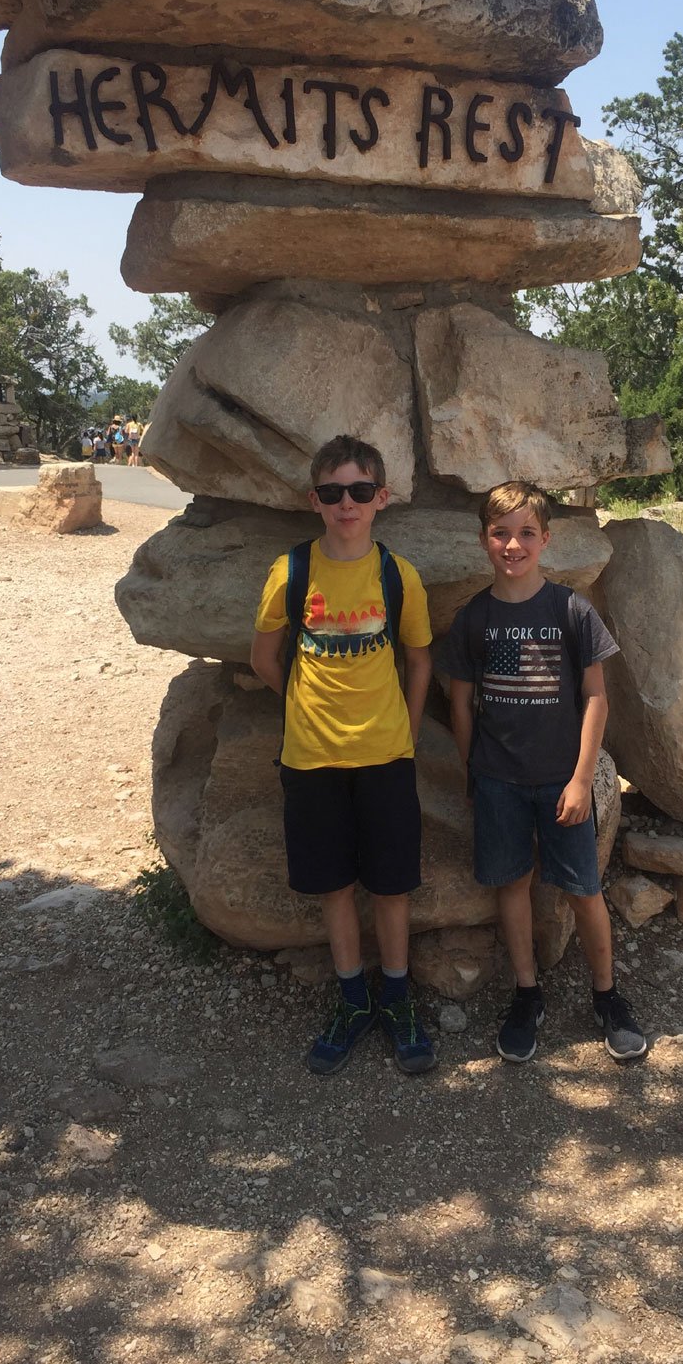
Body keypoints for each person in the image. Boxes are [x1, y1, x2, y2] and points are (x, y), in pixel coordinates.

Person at [250, 434, 437, 1077]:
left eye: (360, 491)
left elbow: (419, 660)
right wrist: (303, 701)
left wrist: (407, 729)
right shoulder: (291, 571)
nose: (347, 504)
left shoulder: (397, 574)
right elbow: (264, 659)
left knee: (390, 885)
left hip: (386, 754)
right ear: (316, 501)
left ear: (381, 498)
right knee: (332, 885)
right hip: (311, 757)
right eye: (333, 493)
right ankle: (352, 999)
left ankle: (396, 995)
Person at [442, 480, 647, 1064]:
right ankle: (527, 994)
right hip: (498, 781)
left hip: (563, 782)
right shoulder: (474, 617)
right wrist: (471, 769)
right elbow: (461, 703)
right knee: (512, 885)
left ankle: (607, 997)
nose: (513, 545)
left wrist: (583, 779)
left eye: (526, 533)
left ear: (546, 540)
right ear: (484, 541)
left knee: (583, 890)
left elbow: (596, 698)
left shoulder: (570, 609)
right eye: (501, 533)